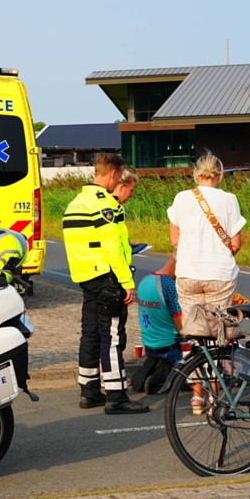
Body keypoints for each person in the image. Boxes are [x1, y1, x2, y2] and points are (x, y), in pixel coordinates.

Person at [63, 153, 149, 415]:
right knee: (112, 336)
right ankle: (117, 396)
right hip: (107, 278)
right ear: (113, 174)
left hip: (86, 276)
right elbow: (111, 247)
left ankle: (89, 391)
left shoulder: (76, 202)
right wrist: (127, 282)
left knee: (89, 333)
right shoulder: (105, 205)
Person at [168, 151, 246, 415]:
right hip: (219, 275)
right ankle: (215, 398)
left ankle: (197, 398)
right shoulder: (229, 199)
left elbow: (174, 241)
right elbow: (235, 243)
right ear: (220, 175)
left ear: (195, 174)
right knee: (216, 336)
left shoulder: (180, 198)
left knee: (196, 335)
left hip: (189, 272)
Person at [132, 254, 182, 394]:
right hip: (171, 346)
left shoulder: (145, 280)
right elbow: (183, 328)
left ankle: (153, 366)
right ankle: (168, 374)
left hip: (149, 344)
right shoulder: (170, 286)